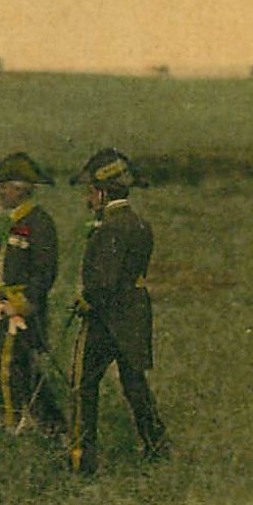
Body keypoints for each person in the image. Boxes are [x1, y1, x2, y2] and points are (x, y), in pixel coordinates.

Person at [68, 148, 169, 472]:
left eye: (90, 192)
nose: (88, 199)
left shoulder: (109, 228)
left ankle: (82, 456)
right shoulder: (140, 225)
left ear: (101, 193)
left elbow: (105, 282)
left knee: (83, 384)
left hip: (105, 319)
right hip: (135, 314)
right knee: (134, 384)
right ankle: (157, 445)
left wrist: (87, 300)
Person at [0, 151, 65, 433]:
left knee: (8, 368)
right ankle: (53, 426)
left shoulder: (39, 223)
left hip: (22, 312)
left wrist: (24, 304)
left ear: (22, 190)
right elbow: (4, 265)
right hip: (7, 306)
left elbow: (44, 272)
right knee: (24, 371)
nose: (1, 193)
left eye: (6, 187)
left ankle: (8, 427)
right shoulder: (14, 223)